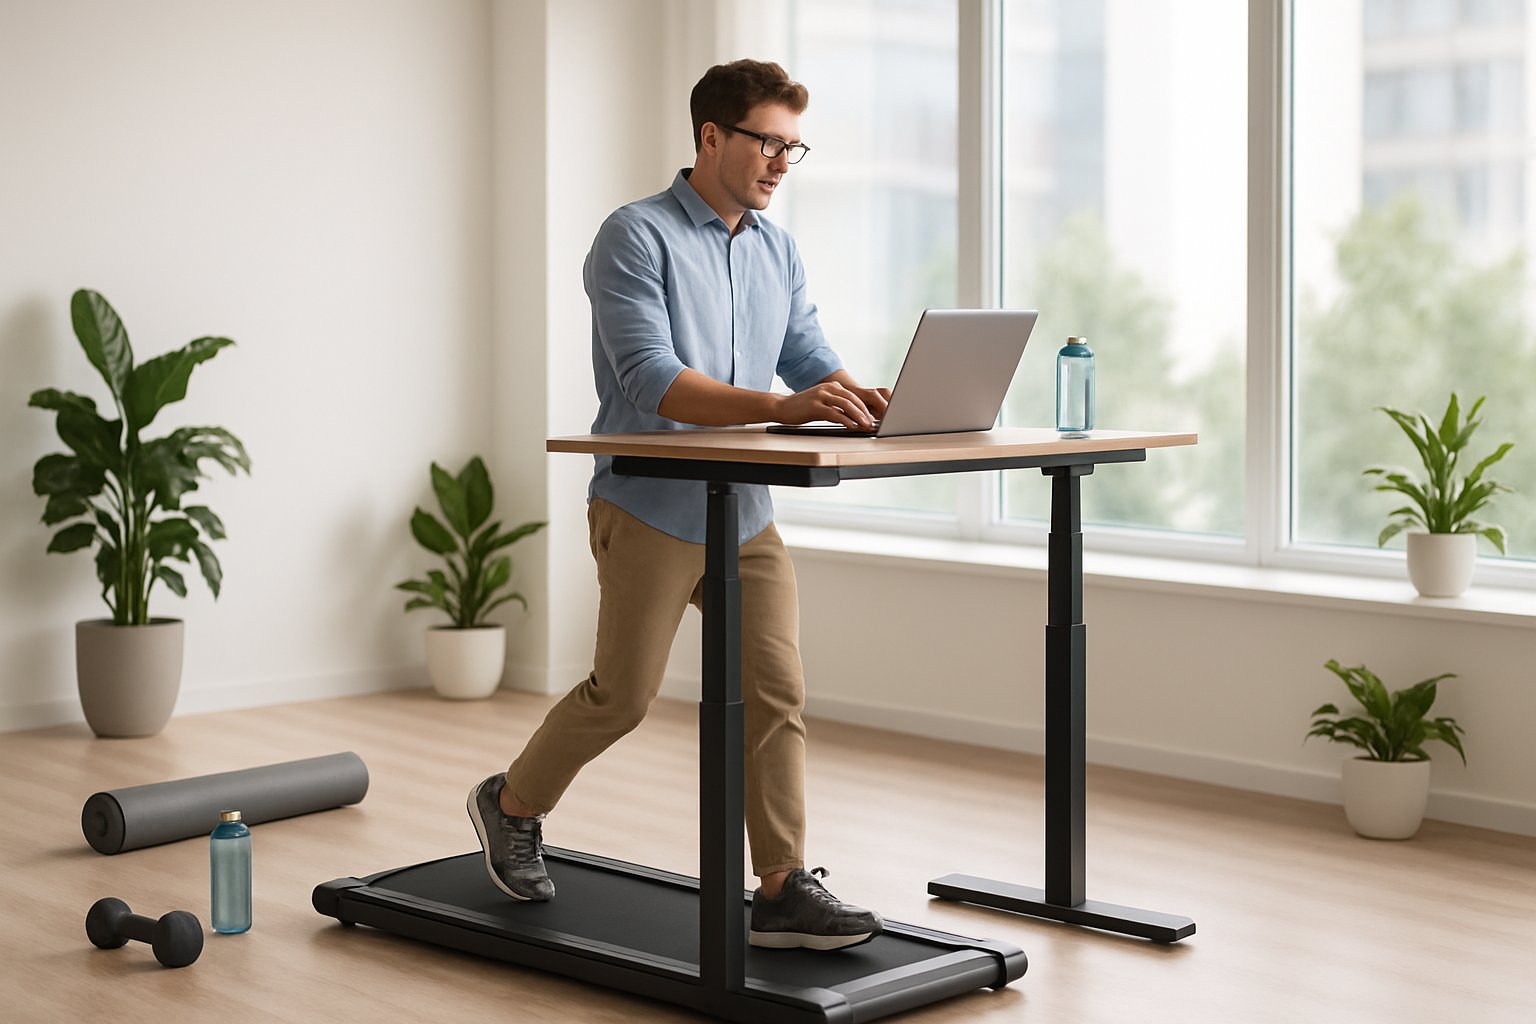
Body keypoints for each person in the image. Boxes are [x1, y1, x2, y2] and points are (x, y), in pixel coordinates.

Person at [467, 59, 889, 951]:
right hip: (652, 504)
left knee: (776, 689)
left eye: (792, 146)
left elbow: (810, 358)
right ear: (711, 137)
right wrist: (780, 408)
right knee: (622, 698)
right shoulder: (635, 236)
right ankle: (508, 804)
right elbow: (651, 378)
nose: (782, 162)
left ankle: (780, 885)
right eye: (768, 142)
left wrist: (879, 403)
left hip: (743, 513)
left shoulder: (777, 247)